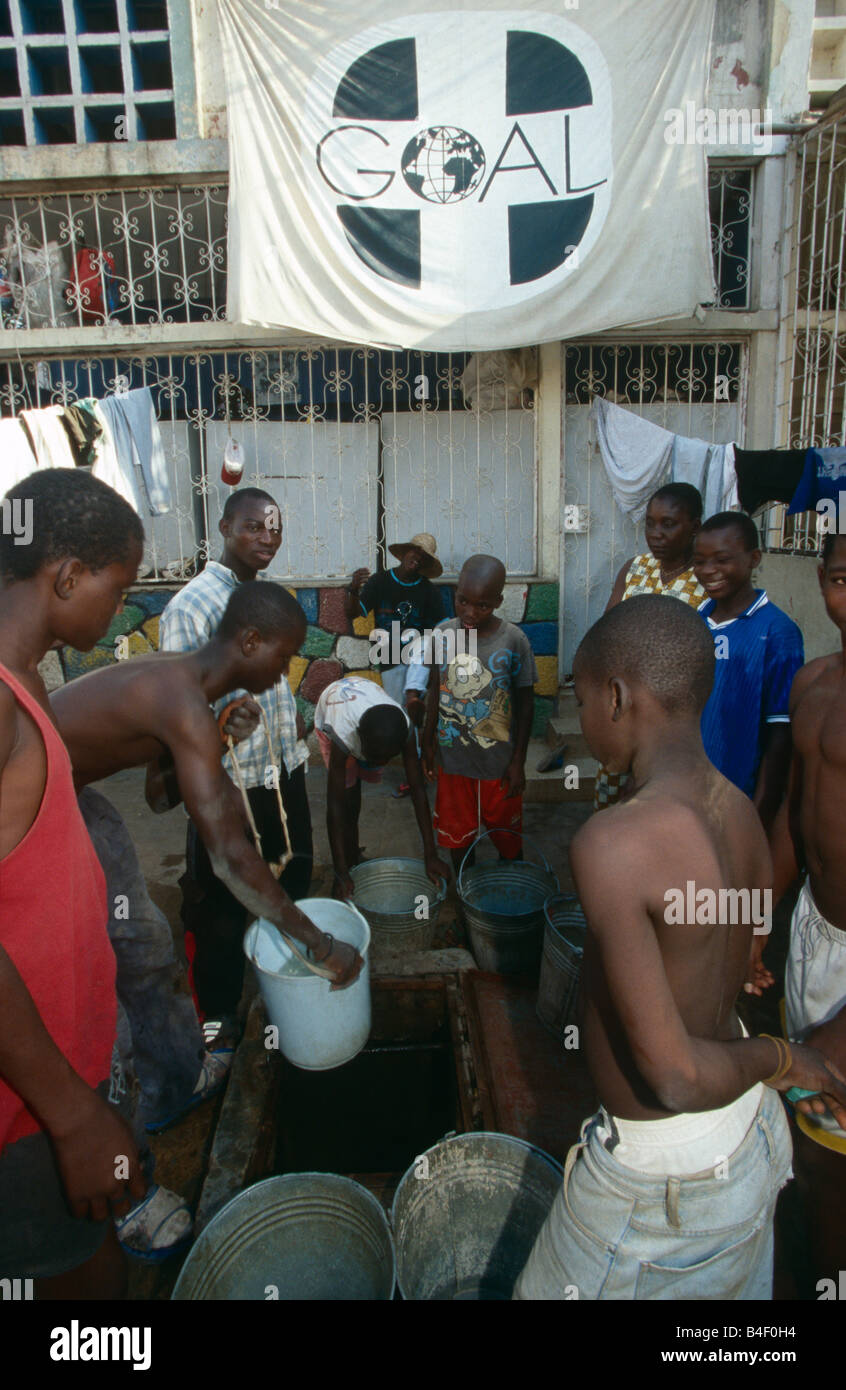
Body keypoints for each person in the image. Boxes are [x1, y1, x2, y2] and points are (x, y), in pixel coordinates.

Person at [515, 595, 846, 1301]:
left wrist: (785, 1058)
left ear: (616, 695)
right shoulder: (739, 812)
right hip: (746, 1144)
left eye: (580, 699)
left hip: (660, 1189)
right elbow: (743, 936)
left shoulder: (612, 842)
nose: (580, 721)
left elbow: (675, 1078)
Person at [52, 583, 362, 1018]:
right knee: (80, 960)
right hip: (35, 799)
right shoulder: (185, 703)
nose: (283, 673)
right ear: (250, 642)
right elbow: (230, 861)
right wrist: (321, 944)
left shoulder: (182, 680)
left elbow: (159, 797)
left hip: (71, 792)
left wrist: (215, 746)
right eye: (283, 657)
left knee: (144, 938)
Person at [0, 469, 146, 1296]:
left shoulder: (27, 684)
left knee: (92, 1271)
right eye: (116, 589)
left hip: (55, 1080)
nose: (119, 612)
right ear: (64, 577)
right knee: (80, 1293)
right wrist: (73, 1115)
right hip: (27, 1110)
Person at [159, 487, 313, 1037]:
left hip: (282, 779)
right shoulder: (193, 606)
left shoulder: (266, 597)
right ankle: (218, 1034)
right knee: (220, 916)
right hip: (227, 791)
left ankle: (291, 1004)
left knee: (292, 883)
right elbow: (182, 714)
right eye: (253, 526)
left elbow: (274, 689)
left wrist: (292, 721)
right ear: (223, 528)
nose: (267, 537)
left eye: (274, 526)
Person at [752, 530, 846, 1288]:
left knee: (831, 1158)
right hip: (815, 932)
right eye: (844, 577)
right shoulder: (815, 681)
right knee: (809, 1144)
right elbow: (792, 816)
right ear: (823, 581)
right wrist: (760, 920)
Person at [421, 554, 536, 876]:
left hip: (498, 764)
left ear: (499, 601)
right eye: (463, 601)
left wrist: (518, 761)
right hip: (453, 762)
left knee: (508, 839)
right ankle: (465, 894)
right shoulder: (442, 635)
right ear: (455, 594)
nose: (470, 613)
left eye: (482, 605)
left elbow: (526, 704)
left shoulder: (514, 640)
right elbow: (435, 691)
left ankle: (511, 893)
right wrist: (427, 742)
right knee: (458, 839)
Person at [594, 482, 706, 809]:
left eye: (668, 524)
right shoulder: (635, 568)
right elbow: (607, 631)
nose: (656, 533)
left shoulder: (706, 577)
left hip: (676, 716)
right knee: (614, 798)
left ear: (694, 526)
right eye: (650, 523)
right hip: (626, 710)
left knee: (663, 801)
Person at [694, 512, 804, 832]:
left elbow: (780, 732)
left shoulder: (776, 631)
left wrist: (761, 812)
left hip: (739, 799)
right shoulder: (693, 624)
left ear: (754, 558)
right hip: (688, 793)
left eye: (722, 559)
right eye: (699, 561)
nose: (708, 571)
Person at [314, 674, 449, 900]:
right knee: (347, 800)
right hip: (333, 703)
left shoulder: (403, 729)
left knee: (353, 798)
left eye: (387, 759)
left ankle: (352, 853)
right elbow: (334, 807)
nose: (381, 765)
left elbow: (417, 790)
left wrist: (431, 854)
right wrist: (340, 873)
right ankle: (347, 862)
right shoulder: (342, 736)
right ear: (360, 742)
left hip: (365, 702)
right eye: (375, 758)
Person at [346, 529, 444, 727]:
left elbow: (443, 626)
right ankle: (410, 740)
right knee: (400, 714)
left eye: (424, 557)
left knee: (426, 642)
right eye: (416, 552)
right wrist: (354, 590)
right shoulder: (380, 581)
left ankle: (412, 694)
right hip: (388, 655)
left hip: (418, 656)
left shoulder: (429, 590)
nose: (418, 559)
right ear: (406, 552)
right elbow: (352, 613)